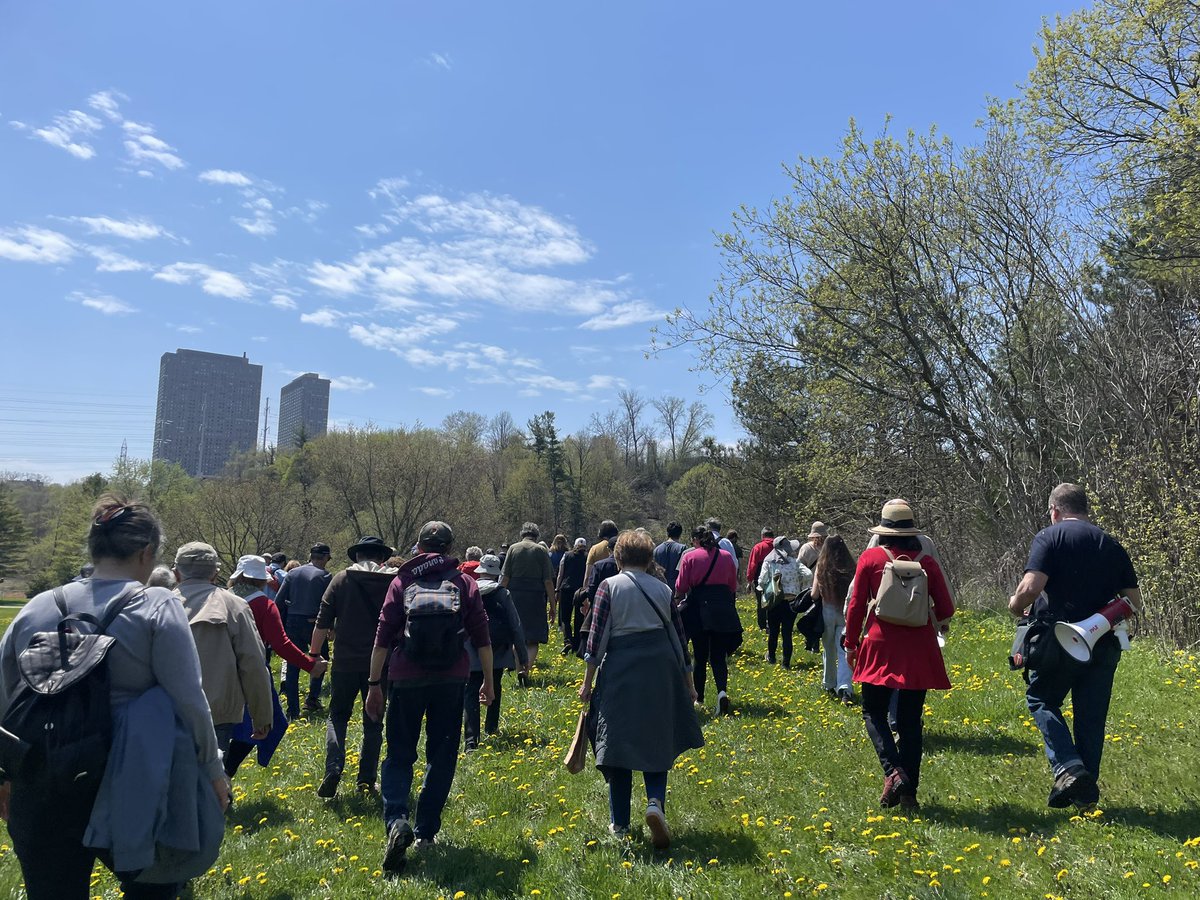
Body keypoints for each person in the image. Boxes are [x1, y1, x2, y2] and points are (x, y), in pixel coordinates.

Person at [0, 494, 229, 899]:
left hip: (42, 774)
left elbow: (5, 698)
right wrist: (213, 770)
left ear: (93, 547)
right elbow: (189, 699)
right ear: (146, 553)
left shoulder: (36, 606)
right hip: (131, 775)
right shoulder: (156, 604)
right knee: (152, 889)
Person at [365, 521, 494, 874]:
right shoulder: (464, 581)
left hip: (405, 677)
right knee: (442, 754)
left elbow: (382, 635)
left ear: (419, 547)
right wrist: (489, 683)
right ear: (450, 547)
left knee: (399, 755)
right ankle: (425, 833)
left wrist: (374, 683)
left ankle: (396, 820)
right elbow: (482, 635)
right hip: (451, 679)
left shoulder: (402, 580)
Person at [1007, 483, 1141, 810]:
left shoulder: (1049, 537)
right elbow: (1133, 602)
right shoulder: (1110, 543)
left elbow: (1032, 585)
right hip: (1104, 641)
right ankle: (1085, 798)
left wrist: (1015, 604)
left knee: (1041, 698)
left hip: (1058, 639)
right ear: (1085, 509)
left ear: (1055, 510)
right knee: (1091, 716)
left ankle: (1068, 766)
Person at [579, 530, 703, 847]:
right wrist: (689, 684)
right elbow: (679, 639)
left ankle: (619, 824)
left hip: (621, 668)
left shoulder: (609, 587)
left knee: (617, 745)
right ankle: (654, 803)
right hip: (661, 669)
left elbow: (597, 639)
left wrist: (587, 682)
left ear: (618, 557)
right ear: (650, 559)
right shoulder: (662, 590)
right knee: (657, 739)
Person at [844, 500, 954, 809]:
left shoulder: (870, 558)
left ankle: (893, 772)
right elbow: (947, 609)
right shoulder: (927, 564)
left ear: (882, 532)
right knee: (909, 721)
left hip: (880, 645)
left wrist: (850, 644)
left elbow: (855, 606)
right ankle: (909, 794)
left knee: (873, 712)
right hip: (919, 650)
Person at [222, 555, 328, 779]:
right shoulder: (264, 604)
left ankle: (217, 775)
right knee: (266, 723)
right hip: (253, 672)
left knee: (225, 725)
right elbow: (281, 644)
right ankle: (224, 773)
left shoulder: (222, 598)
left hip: (220, 672)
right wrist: (310, 665)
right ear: (262, 579)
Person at [309, 536, 398, 798]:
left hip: (345, 662)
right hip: (380, 663)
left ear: (357, 556)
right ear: (381, 558)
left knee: (337, 716)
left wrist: (314, 654)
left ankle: (333, 767)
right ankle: (366, 781)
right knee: (373, 721)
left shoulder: (340, 580)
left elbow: (322, 622)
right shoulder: (392, 582)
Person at [173, 541, 273, 753]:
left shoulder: (158, 606)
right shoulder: (234, 605)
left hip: (165, 712)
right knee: (211, 780)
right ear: (215, 574)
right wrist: (262, 716)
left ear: (176, 574)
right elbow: (253, 663)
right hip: (217, 713)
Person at [674, 526, 742, 715]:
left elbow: (681, 585)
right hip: (722, 608)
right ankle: (721, 692)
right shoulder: (727, 557)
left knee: (700, 656)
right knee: (719, 656)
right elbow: (732, 585)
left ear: (697, 540)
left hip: (699, 609)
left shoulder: (690, 557)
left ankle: (700, 699)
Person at [466, 554, 528, 749]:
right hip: (499, 648)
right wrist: (522, 656)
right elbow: (515, 625)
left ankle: (471, 740)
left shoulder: (469, 590)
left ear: (481, 571)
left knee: (470, 691)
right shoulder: (503, 593)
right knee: (496, 685)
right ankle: (491, 727)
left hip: (472, 647)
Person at [276, 542, 333, 718]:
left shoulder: (292, 573)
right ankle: (312, 699)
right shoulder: (325, 576)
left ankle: (293, 710)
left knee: (293, 663)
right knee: (320, 660)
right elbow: (330, 605)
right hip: (315, 623)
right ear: (324, 558)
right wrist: (331, 627)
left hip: (293, 621)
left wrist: (284, 622)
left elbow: (279, 601)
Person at [500, 523, 555, 677]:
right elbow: (548, 581)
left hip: (515, 596)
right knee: (533, 639)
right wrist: (553, 605)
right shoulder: (541, 550)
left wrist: (498, 597)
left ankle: (519, 670)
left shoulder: (513, 549)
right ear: (536, 536)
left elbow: (505, 577)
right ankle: (526, 668)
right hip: (535, 597)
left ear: (522, 535)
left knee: (517, 635)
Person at [811, 535, 856, 702]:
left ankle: (829, 682)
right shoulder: (851, 567)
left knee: (829, 650)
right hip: (845, 612)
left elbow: (814, 594)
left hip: (827, 612)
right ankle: (845, 687)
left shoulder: (822, 567)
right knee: (844, 650)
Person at [757, 536, 810, 669]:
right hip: (791, 601)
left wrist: (766, 589)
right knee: (787, 633)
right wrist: (802, 587)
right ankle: (785, 663)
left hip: (774, 601)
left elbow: (761, 580)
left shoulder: (769, 561)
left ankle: (772, 658)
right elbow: (809, 574)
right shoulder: (794, 562)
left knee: (773, 631)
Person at [556, 537, 589, 655]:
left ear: (574, 545)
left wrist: (557, 589)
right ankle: (577, 644)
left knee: (565, 618)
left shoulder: (567, 555)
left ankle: (567, 640)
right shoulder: (587, 557)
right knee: (579, 618)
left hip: (566, 588)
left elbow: (560, 573)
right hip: (580, 590)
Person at [746, 528, 775, 631]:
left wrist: (749, 580)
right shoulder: (779, 546)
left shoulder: (758, 547)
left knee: (761, 602)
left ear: (762, 536)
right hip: (776, 578)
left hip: (760, 578)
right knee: (775, 601)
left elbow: (752, 565)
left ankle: (762, 626)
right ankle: (773, 624)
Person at [652, 523, 687, 595]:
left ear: (667, 533)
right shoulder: (682, 549)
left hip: (660, 589)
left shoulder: (657, 549)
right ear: (680, 533)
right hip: (676, 590)